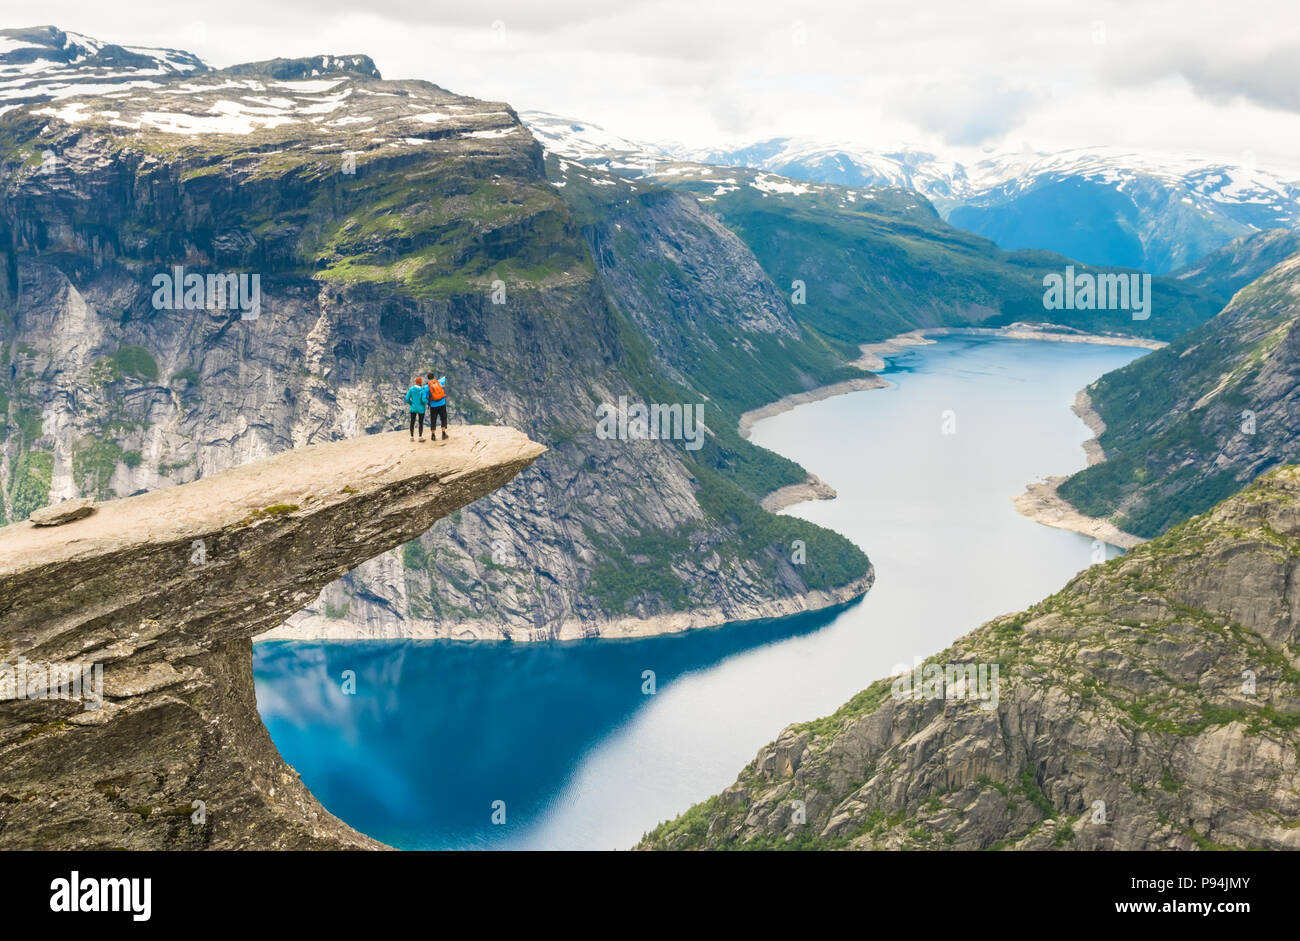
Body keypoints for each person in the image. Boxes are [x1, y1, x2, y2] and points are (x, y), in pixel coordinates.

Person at [426, 371, 449, 440]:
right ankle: (443, 433)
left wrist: (428, 402)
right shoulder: (439, 382)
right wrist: (445, 376)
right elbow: (443, 378)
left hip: (433, 405)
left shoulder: (427, 387)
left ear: (427, 378)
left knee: (433, 419)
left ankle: (433, 435)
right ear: (434, 377)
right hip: (442, 403)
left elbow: (424, 396)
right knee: (443, 418)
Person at [405, 376, 429, 441]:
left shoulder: (411, 389)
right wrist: (428, 401)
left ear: (415, 382)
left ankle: (411, 437)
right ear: (421, 382)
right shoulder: (422, 390)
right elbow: (424, 400)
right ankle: (420, 437)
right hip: (421, 409)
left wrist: (411, 403)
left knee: (412, 422)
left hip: (413, 408)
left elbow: (407, 399)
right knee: (420, 422)